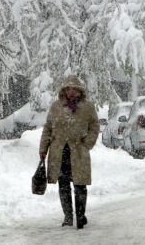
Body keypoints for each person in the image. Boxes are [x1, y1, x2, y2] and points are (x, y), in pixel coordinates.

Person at [39, 75, 100, 229]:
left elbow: (95, 126)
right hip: (59, 153)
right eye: (68, 89)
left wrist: (87, 143)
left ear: (80, 91)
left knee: (80, 185)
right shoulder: (56, 107)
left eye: (74, 89)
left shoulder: (87, 107)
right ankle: (68, 217)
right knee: (63, 185)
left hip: (79, 152)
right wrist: (43, 149)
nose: (71, 92)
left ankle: (80, 216)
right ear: (64, 90)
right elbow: (48, 128)